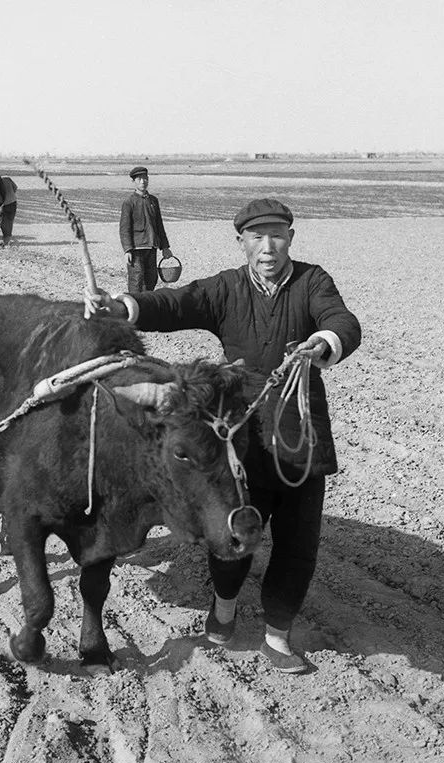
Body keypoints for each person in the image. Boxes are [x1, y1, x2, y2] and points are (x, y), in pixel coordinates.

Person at [86, 198, 361, 674]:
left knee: (298, 544)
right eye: (257, 237)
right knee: (235, 531)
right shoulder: (227, 288)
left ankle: (277, 636)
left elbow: (342, 320)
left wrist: (325, 341)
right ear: (242, 243)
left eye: (277, 235)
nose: (268, 247)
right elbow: (176, 302)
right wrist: (123, 306)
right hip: (239, 436)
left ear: (290, 238)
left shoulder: (312, 281)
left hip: (301, 436)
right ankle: (225, 606)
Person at [119, 166, 174, 292]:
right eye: (139, 179)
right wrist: (127, 249)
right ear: (133, 182)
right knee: (136, 279)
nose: (143, 181)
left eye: (145, 178)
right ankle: (135, 306)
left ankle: (148, 307)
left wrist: (165, 247)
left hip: (151, 246)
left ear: (148, 179)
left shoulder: (153, 201)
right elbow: (124, 228)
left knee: (151, 279)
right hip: (136, 248)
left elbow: (159, 225)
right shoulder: (129, 202)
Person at [0, 174, 18, 246]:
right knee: (10, 221)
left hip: (4, 204)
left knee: (2, 222)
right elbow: (15, 188)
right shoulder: (8, 179)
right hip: (13, 202)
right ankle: (8, 239)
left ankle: (5, 240)